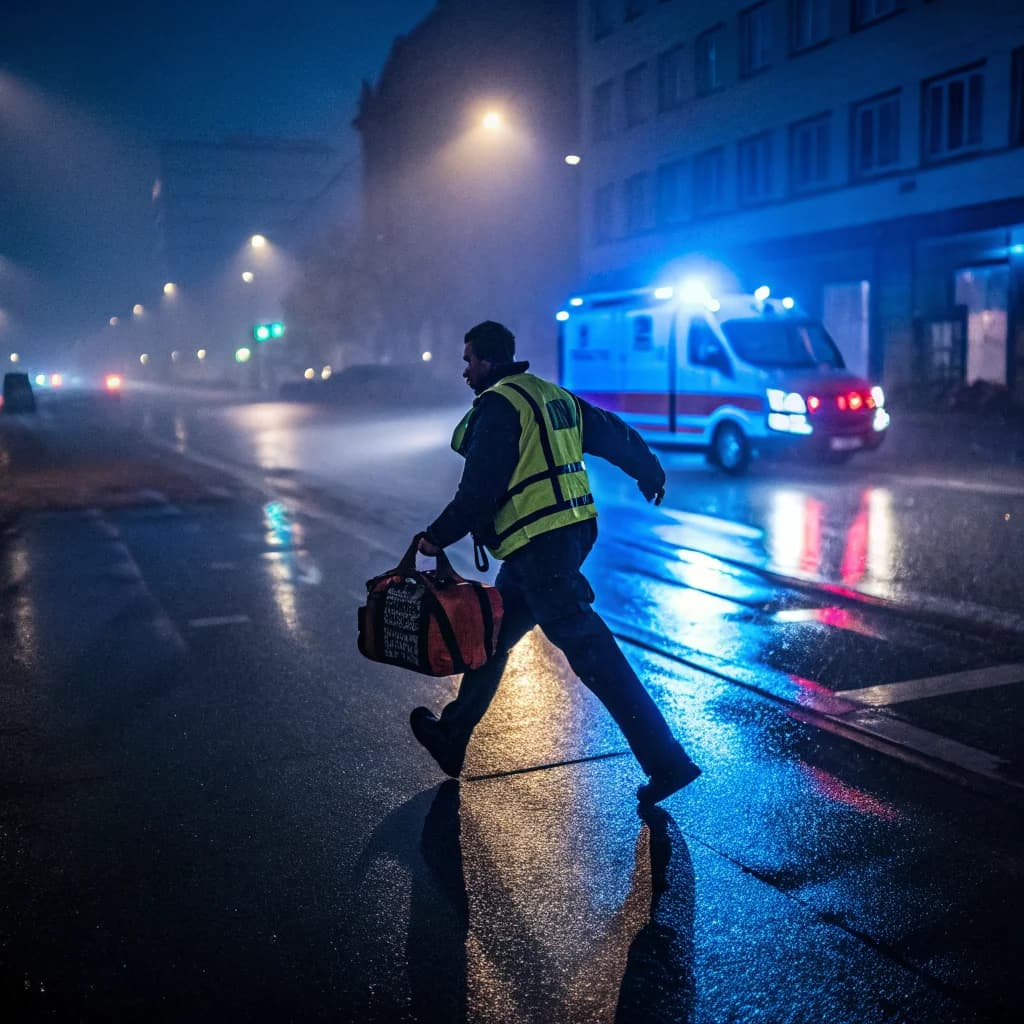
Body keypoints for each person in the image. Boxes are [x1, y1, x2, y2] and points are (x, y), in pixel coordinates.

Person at [410, 320, 700, 806]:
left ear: (488, 361)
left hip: (538, 544)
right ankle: (452, 737)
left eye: (468, 361)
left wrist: (437, 537)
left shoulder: (499, 407)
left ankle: (666, 760)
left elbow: (479, 491)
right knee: (493, 638)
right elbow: (613, 433)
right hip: (566, 535)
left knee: (593, 653)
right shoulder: (551, 395)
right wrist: (648, 470)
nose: (465, 371)